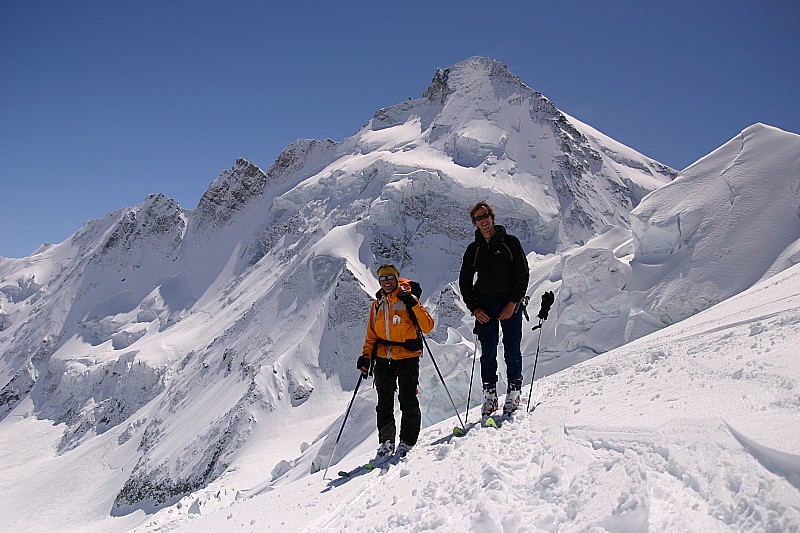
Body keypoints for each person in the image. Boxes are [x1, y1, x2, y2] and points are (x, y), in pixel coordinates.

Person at [459, 201, 530, 417]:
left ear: (492, 216)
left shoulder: (510, 243)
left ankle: (514, 391)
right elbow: (464, 281)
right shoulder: (474, 250)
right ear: (475, 223)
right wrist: (474, 309)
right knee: (487, 353)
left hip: (510, 304)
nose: (483, 220)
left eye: (486, 215)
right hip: (485, 307)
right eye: (479, 218)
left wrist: (513, 303)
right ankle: (490, 395)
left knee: (512, 349)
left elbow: (522, 274)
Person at [358, 262, 434, 462]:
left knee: (407, 400)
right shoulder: (377, 304)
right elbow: (371, 335)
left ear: (396, 278)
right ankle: (386, 443)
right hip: (383, 358)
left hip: (407, 357)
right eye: (382, 278)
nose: (386, 282)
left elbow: (427, 327)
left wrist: (413, 303)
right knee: (383, 404)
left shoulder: (408, 300)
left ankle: (407, 441)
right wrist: (366, 357)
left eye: (389, 277)